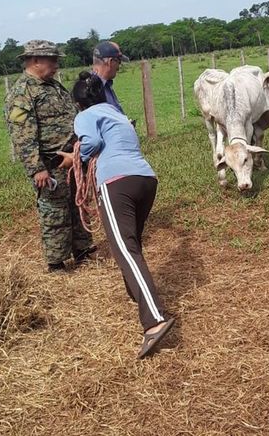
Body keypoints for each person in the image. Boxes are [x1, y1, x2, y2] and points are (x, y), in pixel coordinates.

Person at [58, 71, 175, 359]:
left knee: (125, 249)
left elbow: (92, 144)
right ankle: (137, 295)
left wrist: (72, 159)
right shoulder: (115, 112)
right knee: (131, 244)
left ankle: (154, 321)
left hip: (116, 182)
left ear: (78, 103)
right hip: (146, 179)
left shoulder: (85, 116)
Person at [5, 40, 95, 272]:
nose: (56, 65)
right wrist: (37, 169)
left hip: (71, 158)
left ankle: (82, 248)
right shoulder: (22, 93)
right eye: (52, 60)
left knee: (78, 204)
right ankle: (56, 261)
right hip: (50, 163)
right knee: (54, 211)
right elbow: (23, 135)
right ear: (35, 61)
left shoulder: (53, 86)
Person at [91, 41, 129, 113]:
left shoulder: (106, 84)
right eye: (119, 62)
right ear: (110, 62)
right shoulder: (90, 89)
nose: (119, 67)